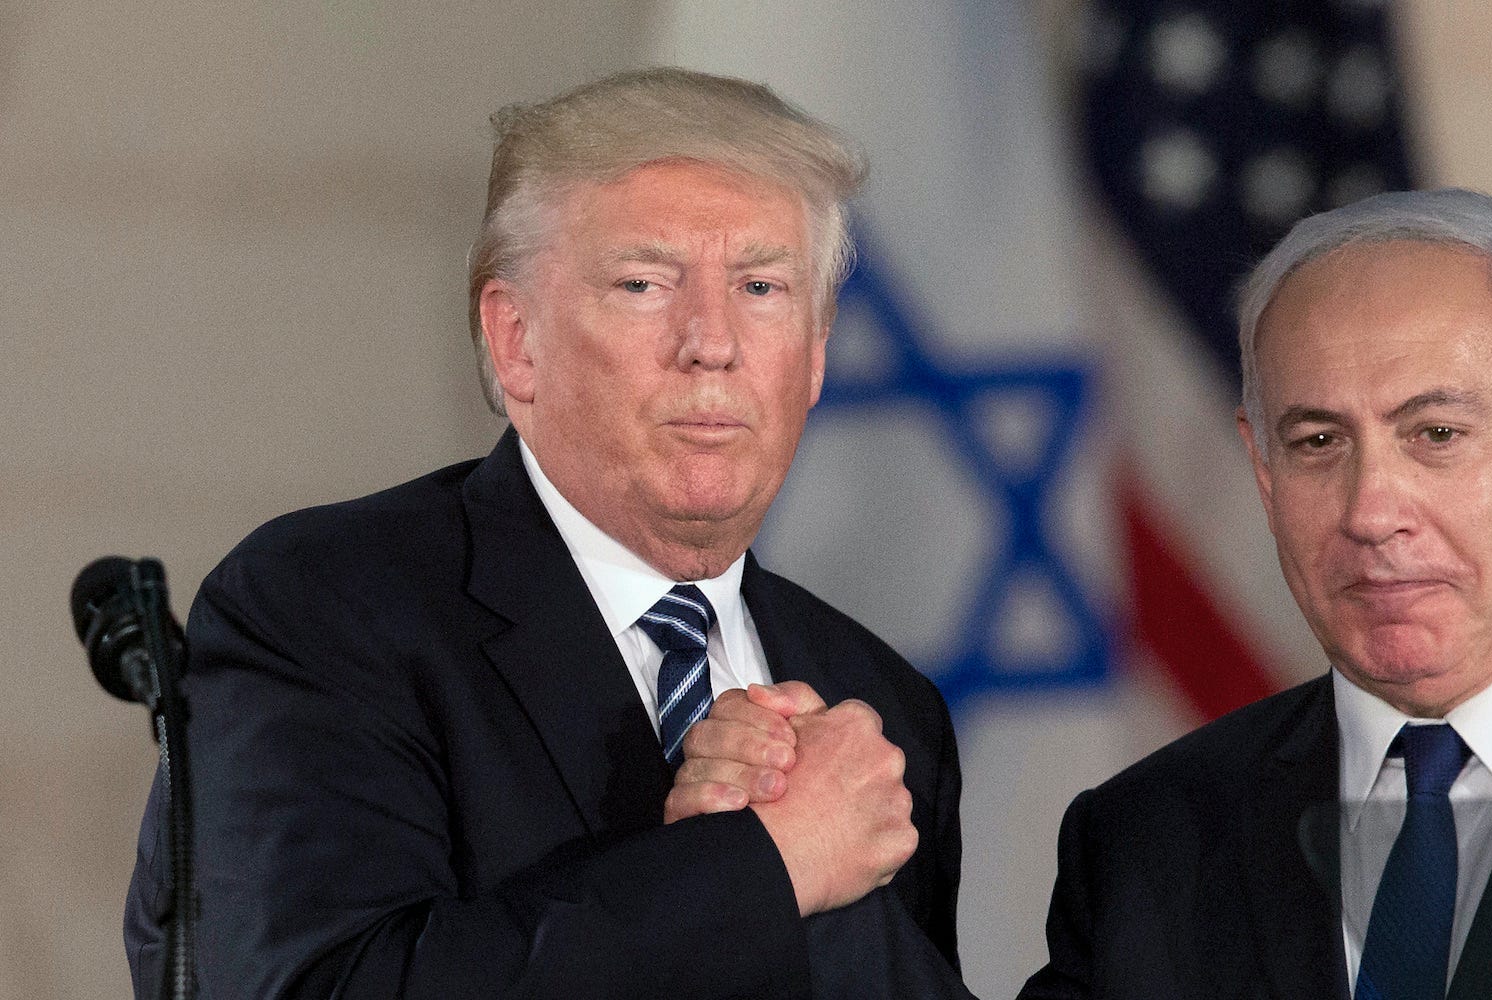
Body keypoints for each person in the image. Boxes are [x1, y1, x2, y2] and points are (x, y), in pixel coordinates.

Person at [682, 188, 1492, 998]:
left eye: (1437, 433)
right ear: (1259, 468)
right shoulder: (1150, 838)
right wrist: (798, 875)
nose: (1372, 508)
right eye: (1319, 443)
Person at [123, 67, 961, 1000]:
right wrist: (766, 863)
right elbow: (321, 986)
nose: (712, 342)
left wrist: (828, 893)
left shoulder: (880, 708)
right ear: (516, 341)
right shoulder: (327, 608)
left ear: (814, 353)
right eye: (644, 284)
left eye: (762, 287)